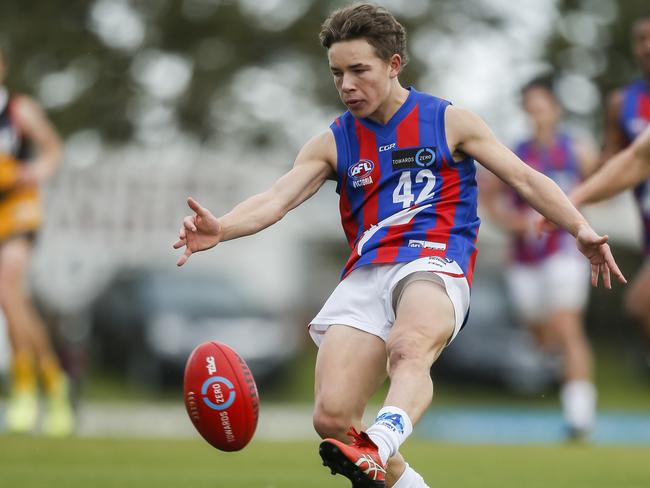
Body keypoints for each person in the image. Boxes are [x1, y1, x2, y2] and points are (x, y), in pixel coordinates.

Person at [174, 5, 625, 487]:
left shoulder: (449, 121)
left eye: (359, 70)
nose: (346, 84)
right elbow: (277, 199)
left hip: (435, 261)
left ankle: (381, 441)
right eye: (337, 73)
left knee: (408, 347)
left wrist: (578, 228)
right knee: (332, 419)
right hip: (369, 272)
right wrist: (223, 227)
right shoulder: (333, 141)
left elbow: (524, 178)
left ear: (393, 65)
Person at [481, 78, 599, 439]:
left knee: (567, 327)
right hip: (525, 260)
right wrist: (516, 224)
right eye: (529, 107)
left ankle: (580, 416)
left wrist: (573, 218)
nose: (535, 113)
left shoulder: (576, 151)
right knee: (542, 337)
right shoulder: (512, 153)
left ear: (556, 109)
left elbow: (600, 185)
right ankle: (560, 370)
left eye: (541, 105)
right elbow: (488, 201)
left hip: (564, 254)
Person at [0, 46, 74, 436]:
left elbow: (53, 150)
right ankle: (56, 382)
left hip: (20, 209)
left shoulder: (18, 110)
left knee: (7, 287)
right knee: (15, 301)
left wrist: (36, 171)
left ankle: (24, 389)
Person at [591, 16, 650, 362]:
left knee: (641, 302)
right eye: (641, 38)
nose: (647, 45)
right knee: (641, 308)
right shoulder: (622, 103)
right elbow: (613, 161)